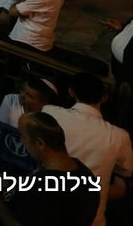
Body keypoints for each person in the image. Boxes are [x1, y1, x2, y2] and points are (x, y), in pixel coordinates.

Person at [43, 73, 133, 226]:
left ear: (71, 92)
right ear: (103, 98)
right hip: (91, 219)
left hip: (46, 209)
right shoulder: (119, 136)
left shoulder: (50, 113)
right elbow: (125, 173)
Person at [0, 111, 99, 226]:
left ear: (40, 143)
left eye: (23, 136)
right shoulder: (86, 174)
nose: (21, 141)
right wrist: (12, 182)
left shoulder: (42, 189)